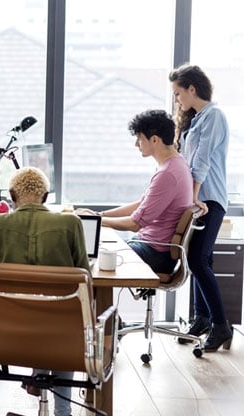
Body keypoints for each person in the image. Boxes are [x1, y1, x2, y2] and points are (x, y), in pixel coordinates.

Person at [0, 167, 89, 416]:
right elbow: (85, 280)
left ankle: (38, 376)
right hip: (61, 333)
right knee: (65, 321)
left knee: (38, 317)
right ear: (45, 196)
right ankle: (63, 413)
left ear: (11, 195)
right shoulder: (71, 223)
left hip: (8, 333)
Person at [78, 109, 193, 275]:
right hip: (151, 246)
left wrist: (95, 220)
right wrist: (99, 215)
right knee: (96, 248)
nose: (136, 144)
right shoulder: (175, 164)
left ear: (154, 140)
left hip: (155, 254)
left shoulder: (167, 174)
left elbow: (135, 224)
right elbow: (141, 205)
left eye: (139, 139)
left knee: (88, 258)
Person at [169, 63, 232, 352]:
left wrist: (194, 198)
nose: (177, 99)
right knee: (197, 261)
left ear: (192, 89)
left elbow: (202, 161)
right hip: (197, 201)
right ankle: (202, 319)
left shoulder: (214, 116)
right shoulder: (196, 119)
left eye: (178, 93)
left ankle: (221, 325)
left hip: (210, 200)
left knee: (197, 260)